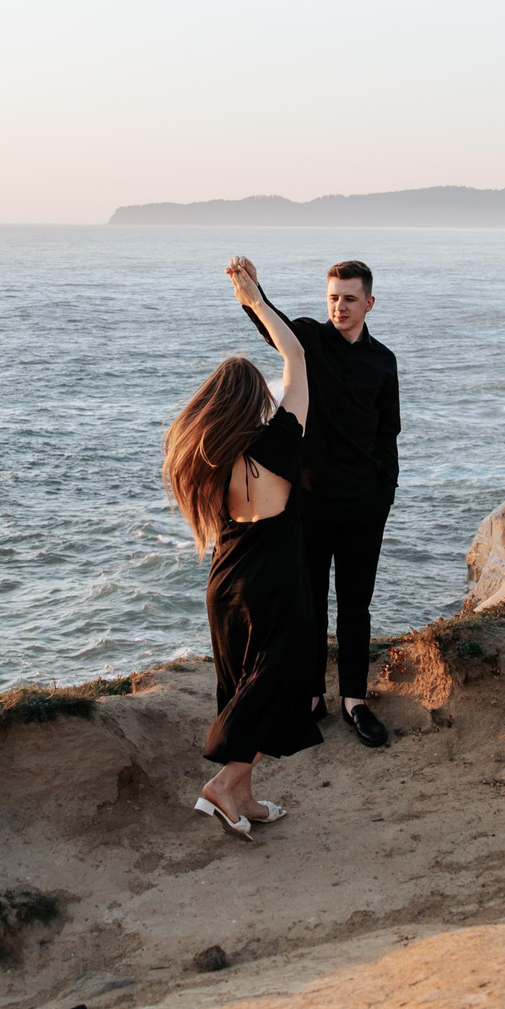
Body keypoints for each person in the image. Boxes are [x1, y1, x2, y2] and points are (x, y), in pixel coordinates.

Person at [162, 258, 322, 840]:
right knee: (276, 684)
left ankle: (246, 796)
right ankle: (225, 784)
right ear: (256, 398)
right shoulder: (280, 441)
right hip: (276, 581)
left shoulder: (205, 459)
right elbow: (297, 357)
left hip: (225, 582)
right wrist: (254, 300)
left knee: (239, 684)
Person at [234, 256, 399, 748]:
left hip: (364, 506)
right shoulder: (309, 341)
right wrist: (253, 293)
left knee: (356, 606)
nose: (340, 307)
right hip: (309, 504)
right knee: (307, 605)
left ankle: (354, 701)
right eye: (333, 297)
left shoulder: (383, 361)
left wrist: (384, 495)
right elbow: (274, 330)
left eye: (349, 298)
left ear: (369, 302)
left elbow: (388, 432)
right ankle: (310, 697)